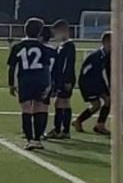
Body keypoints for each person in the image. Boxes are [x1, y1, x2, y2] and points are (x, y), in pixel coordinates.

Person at [8, 17, 52, 150]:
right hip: (40, 80)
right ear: (39, 33)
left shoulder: (17, 47)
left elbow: (12, 67)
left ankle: (29, 139)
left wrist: (11, 84)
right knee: (39, 108)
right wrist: (48, 84)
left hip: (25, 81)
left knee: (26, 109)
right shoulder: (43, 48)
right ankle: (38, 139)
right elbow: (46, 68)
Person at [73, 32, 111, 135]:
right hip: (89, 83)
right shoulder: (96, 56)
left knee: (101, 103)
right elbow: (85, 72)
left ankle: (93, 123)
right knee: (98, 104)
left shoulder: (106, 55)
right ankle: (96, 124)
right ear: (106, 42)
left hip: (97, 82)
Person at [47, 19, 77, 139]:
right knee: (63, 103)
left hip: (65, 80)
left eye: (57, 32)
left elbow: (68, 64)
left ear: (64, 31)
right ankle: (64, 130)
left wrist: (67, 80)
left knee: (61, 102)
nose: (56, 36)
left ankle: (59, 129)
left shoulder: (69, 46)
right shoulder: (61, 46)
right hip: (60, 79)